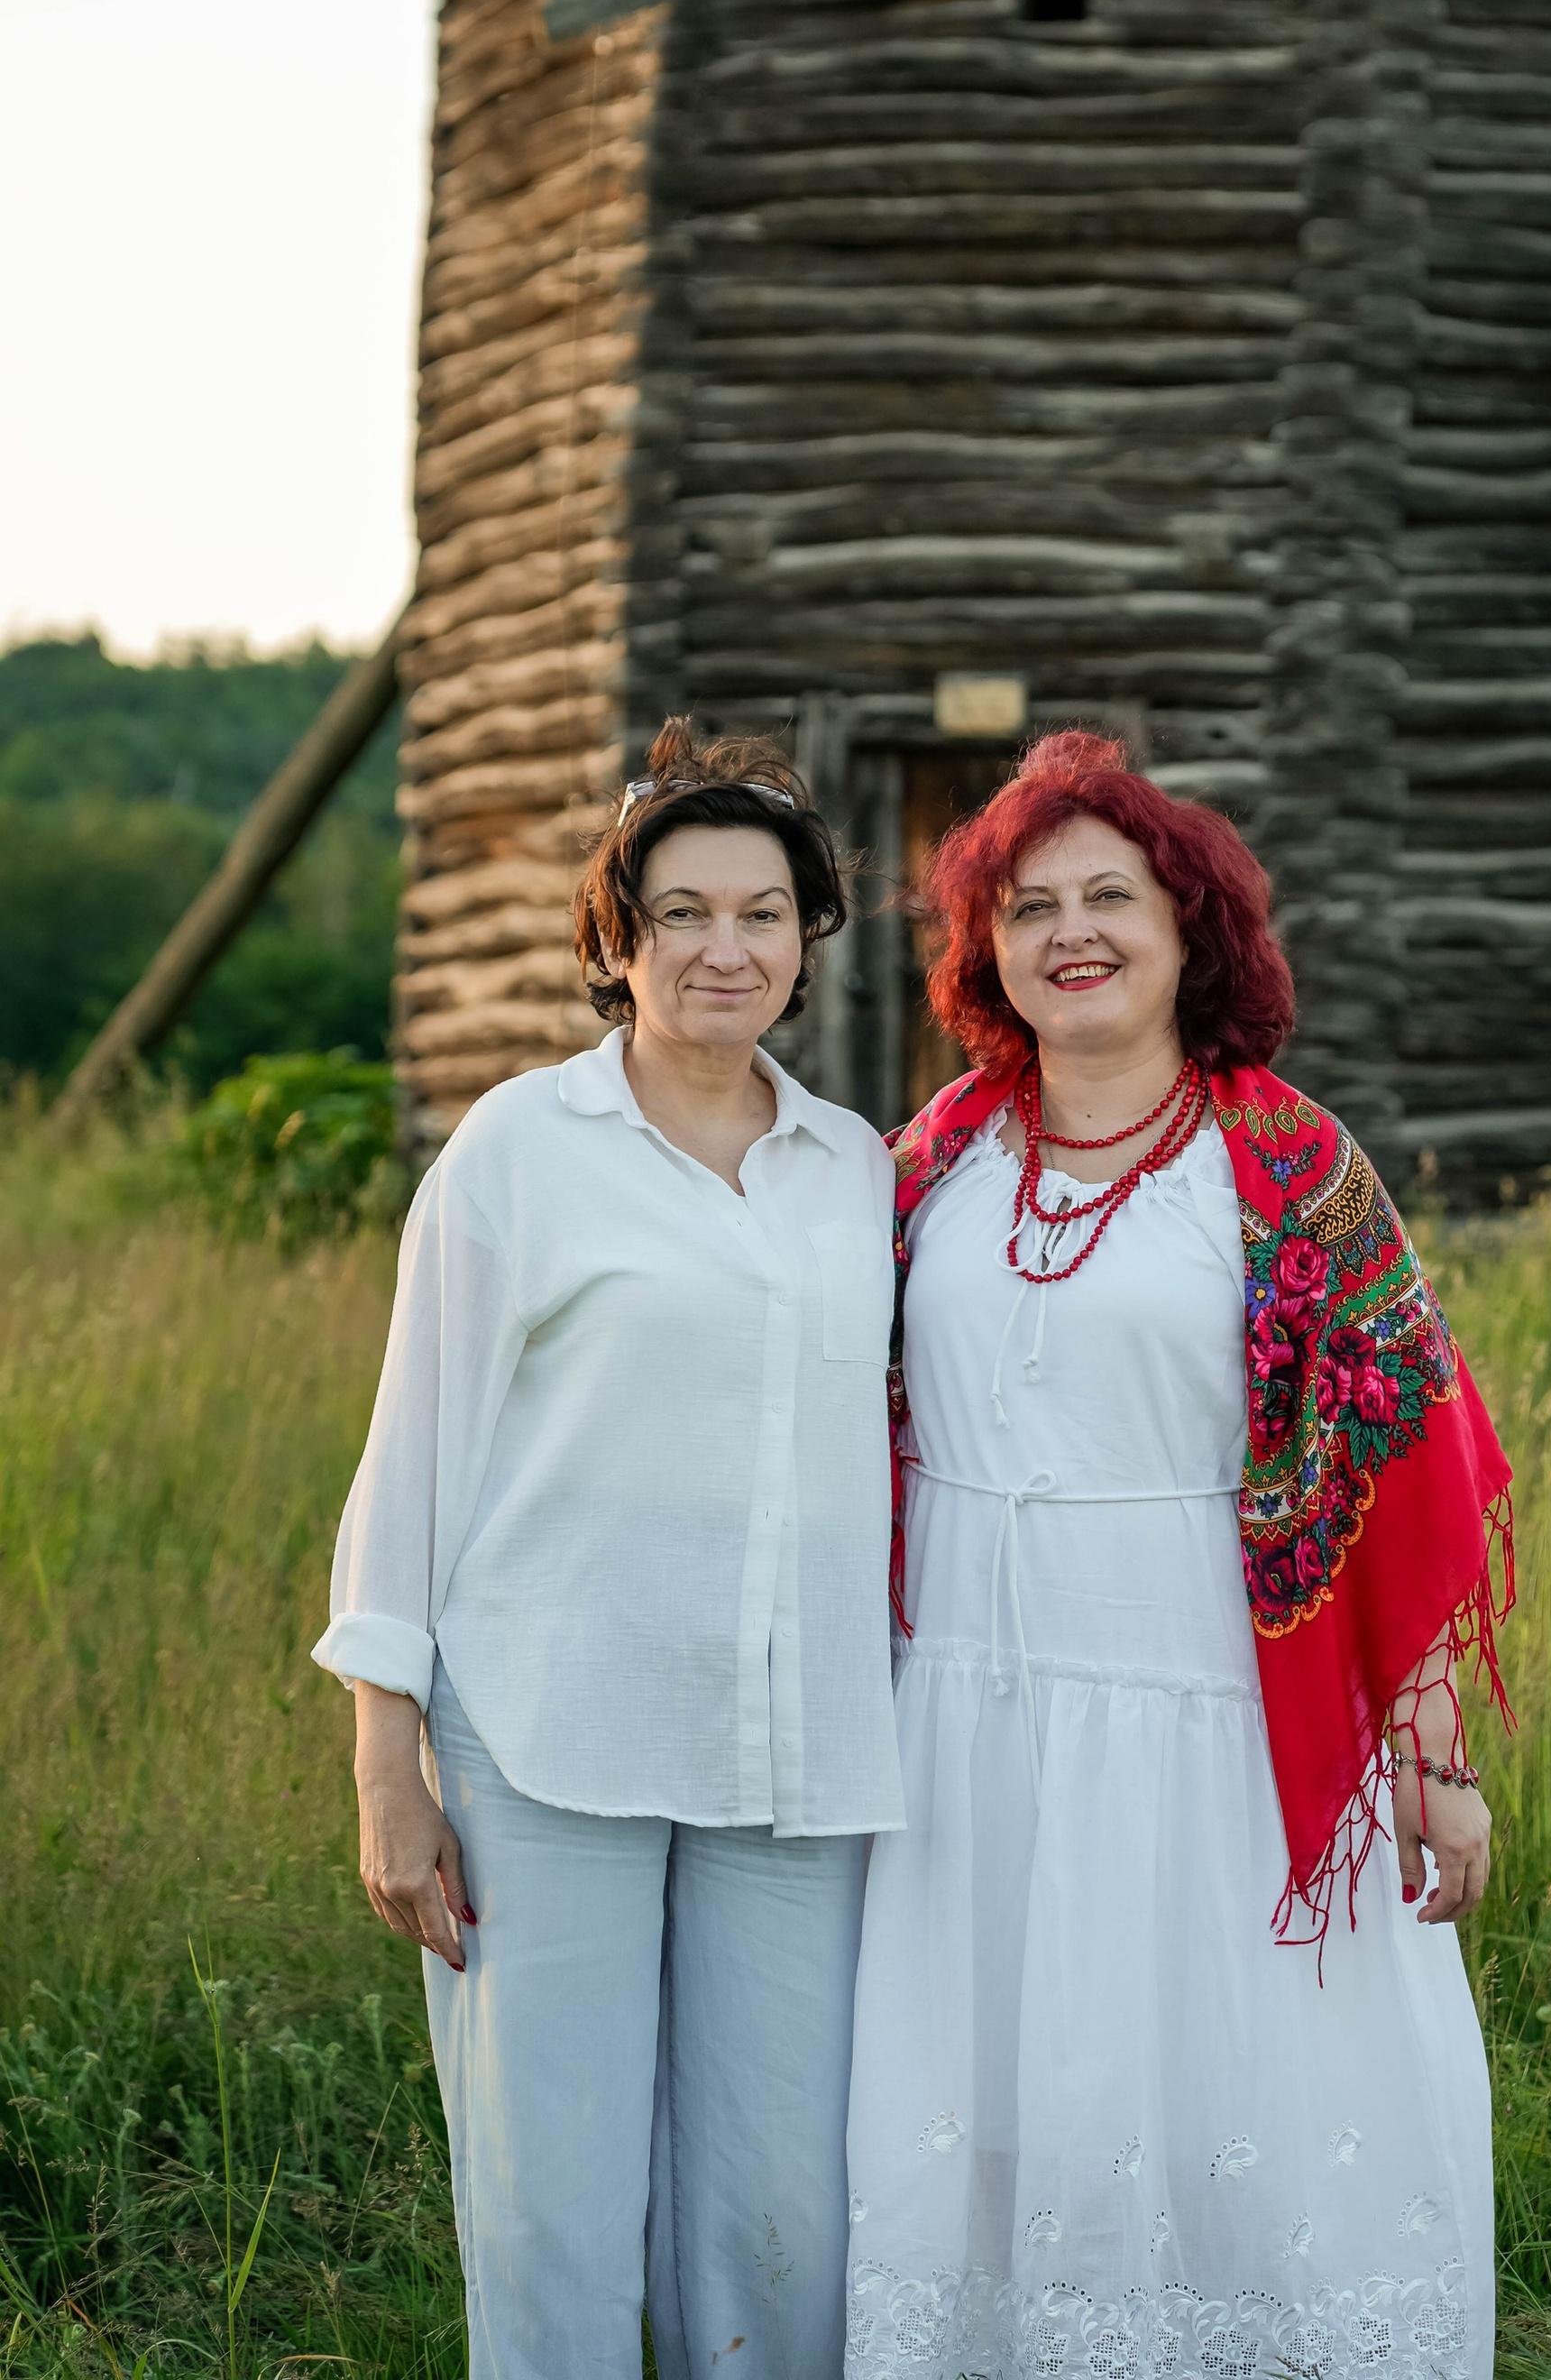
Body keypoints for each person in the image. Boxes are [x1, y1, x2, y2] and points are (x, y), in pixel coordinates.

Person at [846, 730, 1512, 2380]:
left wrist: (1431, 1758)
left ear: (1187, 929)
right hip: (966, 1731)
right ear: (989, 952)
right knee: (1003, 2105)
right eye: (1029, 907)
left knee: (1236, 2105)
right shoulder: (928, 1162)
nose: (1069, 932)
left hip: (1213, 1720)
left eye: (1109, 899)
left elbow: (1396, 1465)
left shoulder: (1290, 1166)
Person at [314, 720, 904, 2380]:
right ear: (618, 936)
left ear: (806, 939)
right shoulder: (519, 1148)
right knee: (553, 2200)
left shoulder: (855, 1171)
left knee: (783, 2203)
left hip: (796, 1754)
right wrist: (386, 1763)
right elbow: (414, 1451)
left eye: (764, 914)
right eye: (683, 913)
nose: (727, 948)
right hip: (549, 1736)